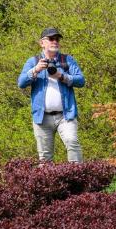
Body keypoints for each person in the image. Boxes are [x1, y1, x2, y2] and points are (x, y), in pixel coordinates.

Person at [17, 27, 86, 163]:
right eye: (51, 39)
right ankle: (49, 183)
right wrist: (35, 70)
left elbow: (81, 81)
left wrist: (61, 76)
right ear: (42, 43)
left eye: (57, 39)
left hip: (66, 115)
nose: (55, 41)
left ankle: (78, 177)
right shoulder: (33, 61)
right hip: (42, 117)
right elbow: (21, 83)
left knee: (72, 142)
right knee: (45, 157)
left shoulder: (67, 60)